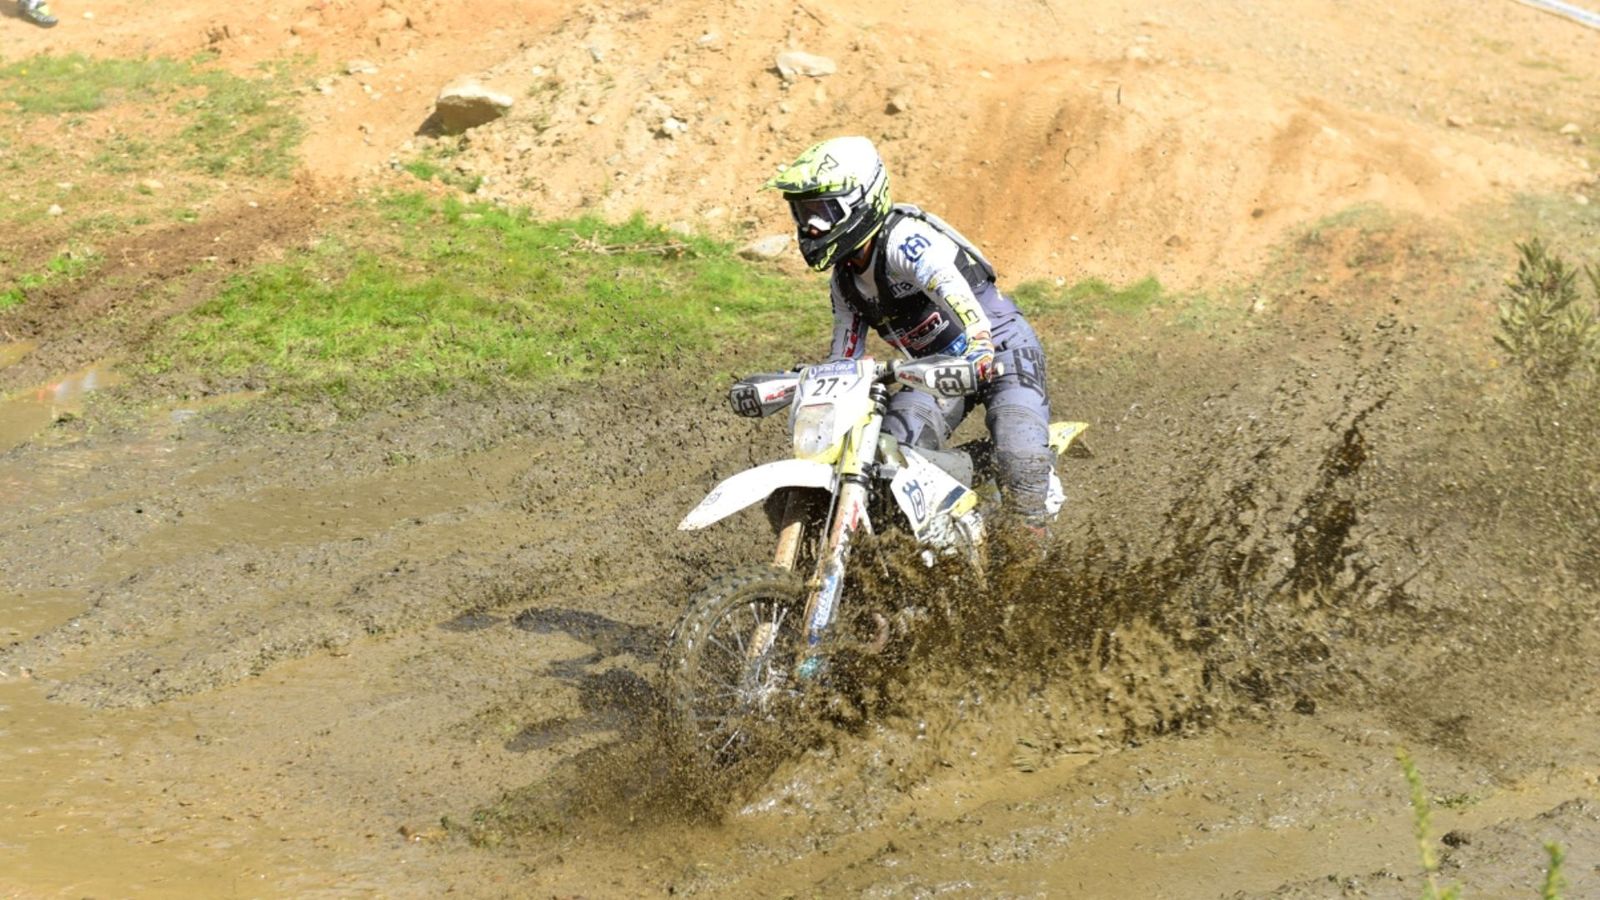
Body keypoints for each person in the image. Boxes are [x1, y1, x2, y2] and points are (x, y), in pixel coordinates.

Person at [763, 135, 1056, 530]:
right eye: (803, 213)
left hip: (1001, 351)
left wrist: (980, 344)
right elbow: (844, 356)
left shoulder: (906, 241)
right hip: (933, 371)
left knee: (1021, 460)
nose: (812, 227)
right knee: (888, 460)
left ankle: (1032, 559)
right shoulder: (845, 281)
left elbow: (951, 286)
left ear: (862, 200)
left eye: (822, 211)